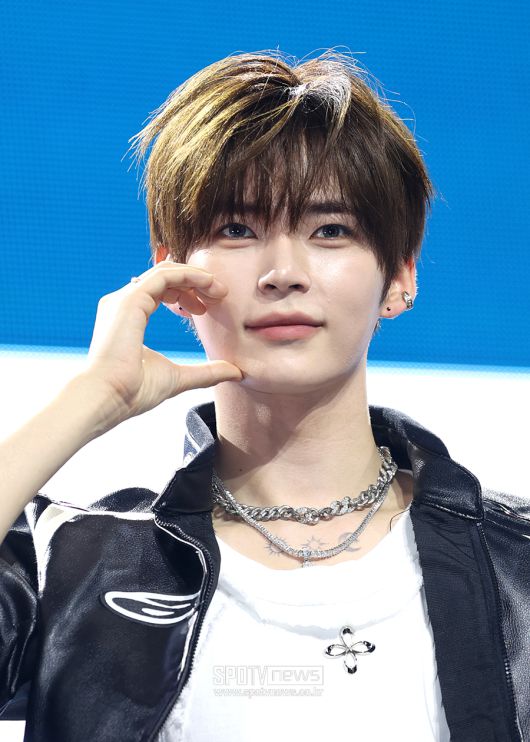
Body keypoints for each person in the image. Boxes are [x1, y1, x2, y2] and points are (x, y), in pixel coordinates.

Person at [0, 49, 528, 742]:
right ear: (173, 274)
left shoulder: (515, 562)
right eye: (238, 230)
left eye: (330, 231)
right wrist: (89, 399)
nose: (283, 272)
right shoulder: (71, 563)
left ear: (399, 277)